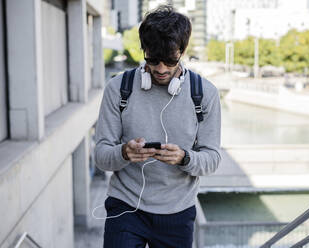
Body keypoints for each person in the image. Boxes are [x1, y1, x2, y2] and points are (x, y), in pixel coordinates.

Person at [94, 5, 221, 248]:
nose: (161, 69)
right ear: (143, 51)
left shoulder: (205, 94)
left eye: (170, 60)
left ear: (182, 51)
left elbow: (212, 159)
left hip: (178, 212)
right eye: (153, 60)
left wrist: (185, 158)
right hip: (125, 207)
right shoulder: (118, 88)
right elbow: (101, 156)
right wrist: (124, 153)